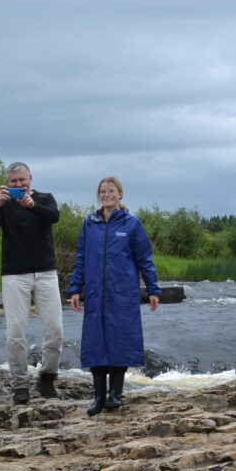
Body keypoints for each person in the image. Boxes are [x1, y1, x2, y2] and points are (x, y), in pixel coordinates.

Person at [67, 176, 161, 416]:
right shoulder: (90, 223)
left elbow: (145, 259)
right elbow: (81, 258)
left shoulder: (132, 224)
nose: (106, 194)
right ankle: (98, 398)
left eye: (111, 191)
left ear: (120, 194)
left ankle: (115, 395)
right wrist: (75, 289)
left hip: (122, 293)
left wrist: (152, 289)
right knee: (95, 342)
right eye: (102, 191)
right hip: (95, 293)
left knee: (121, 341)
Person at [0, 162, 64, 404]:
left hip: (46, 272)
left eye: (22, 180)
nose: (18, 184)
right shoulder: (5, 204)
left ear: (30, 179)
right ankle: (20, 384)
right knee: (16, 332)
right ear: (8, 183)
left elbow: (54, 217)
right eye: (14, 181)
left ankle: (47, 376)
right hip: (15, 274)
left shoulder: (45, 198)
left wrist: (32, 205)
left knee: (55, 330)